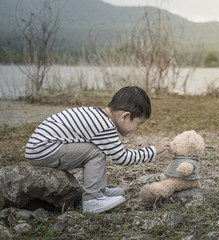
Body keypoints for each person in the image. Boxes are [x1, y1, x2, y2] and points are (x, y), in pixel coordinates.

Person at [25, 86, 170, 213]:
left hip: (41, 147)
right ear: (125, 116)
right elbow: (122, 158)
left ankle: (99, 190)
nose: (137, 129)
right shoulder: (105, 126)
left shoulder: (97, 115)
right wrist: (154, 150)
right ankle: (92, 199)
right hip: (43, 150)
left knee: (95, 149)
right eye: (139, 124)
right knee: (95, 151)